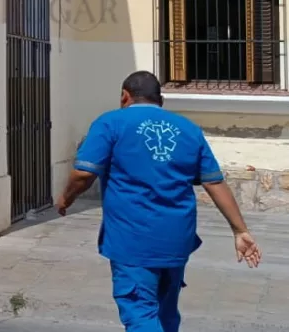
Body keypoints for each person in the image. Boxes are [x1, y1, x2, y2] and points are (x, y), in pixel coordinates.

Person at [57, 71, 261, 332]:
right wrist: (240, 230)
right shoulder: (188, 128)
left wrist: (66, 198)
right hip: (177, 240)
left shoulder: (111, 123)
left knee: (140, 312)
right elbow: (213, 182)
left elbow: (84, 173)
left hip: (132, 239)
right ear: (160, 100)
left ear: (124, 96)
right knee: (165, 312)